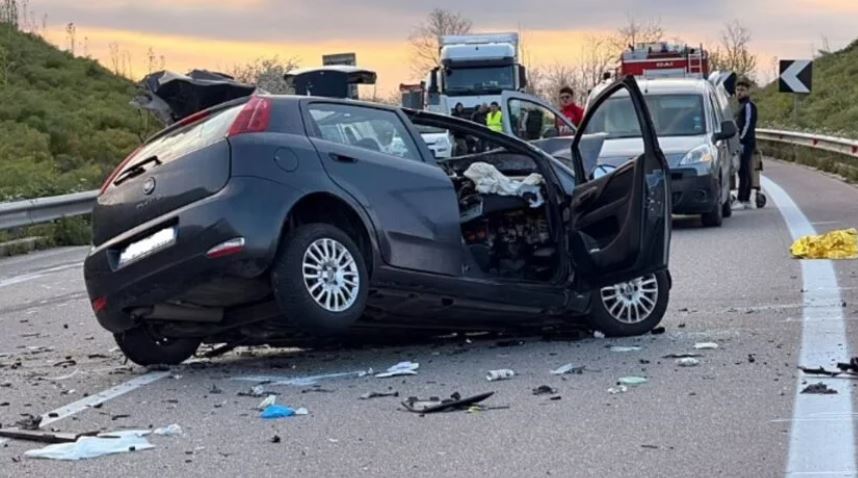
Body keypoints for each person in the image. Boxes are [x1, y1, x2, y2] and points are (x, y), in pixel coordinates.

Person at [735, 78, 758, 210]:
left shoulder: (748, 106)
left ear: (748, 91)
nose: (739, 92)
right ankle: (744, 199)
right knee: (743, 171)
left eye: (742, 90)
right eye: (738, 90)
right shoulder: (741, 106)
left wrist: (741, 140)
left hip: (746, 143)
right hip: (742, 142)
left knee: (744, 171)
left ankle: (742, 199)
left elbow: (748, 124)